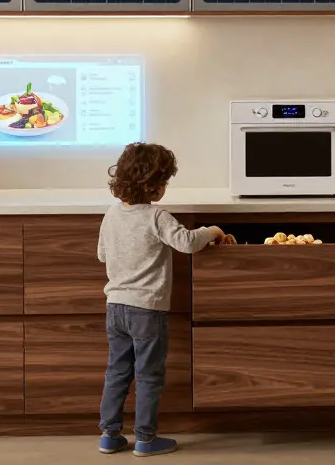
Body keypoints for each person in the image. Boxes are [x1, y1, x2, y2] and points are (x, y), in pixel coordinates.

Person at [97, 142, 224, 457]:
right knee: (148, 375)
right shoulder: (157, 217)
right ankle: (145, 439)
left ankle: (109, 435)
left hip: (115, 307)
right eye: (164, 181)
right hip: (147, 310)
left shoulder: (112, 214)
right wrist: (211, 230)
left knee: (117, 371)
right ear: (154, 186)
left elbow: (102, 254)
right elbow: (187, 242)